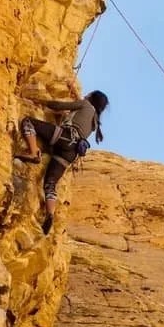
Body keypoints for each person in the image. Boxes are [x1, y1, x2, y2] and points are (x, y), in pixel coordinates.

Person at [17, 90, 108, 233]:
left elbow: (58, 106)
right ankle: (50, 214)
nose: (86, 95)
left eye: (88, 94)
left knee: (28, 122)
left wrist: (41, 101)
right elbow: (77, 116)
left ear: (91, 97)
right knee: (50, 183)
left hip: (65, 138)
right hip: (71, 153)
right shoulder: (94, 121)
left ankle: (34, 153)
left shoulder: (85, 105)